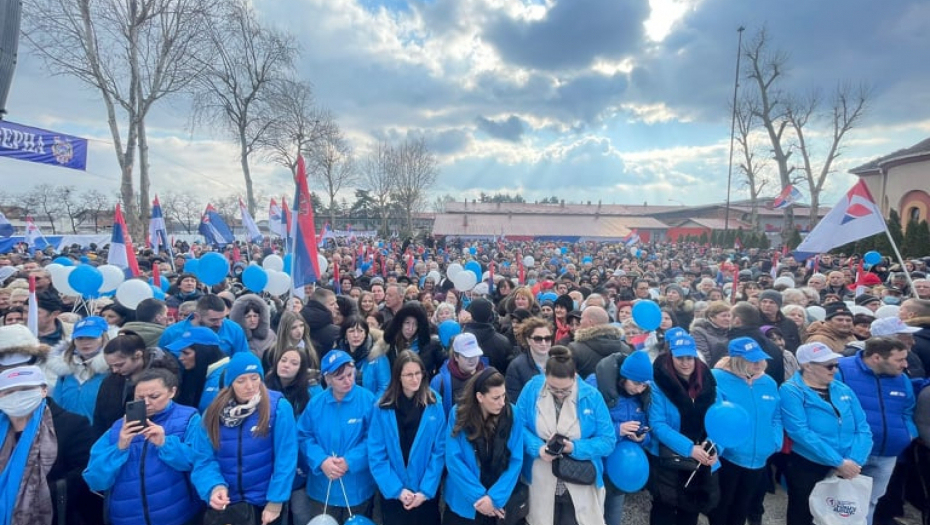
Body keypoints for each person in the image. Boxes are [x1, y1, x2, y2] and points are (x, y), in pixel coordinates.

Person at [83, 368, 204, 525]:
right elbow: (95, 480)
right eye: (140, 397)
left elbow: (198, 462)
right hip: (126, 517)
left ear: (172, 392)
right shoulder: (118, 428)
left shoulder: (189, 419)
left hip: (178, 515)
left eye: (154, 396)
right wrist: (120, 447)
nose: (146, 402)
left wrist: (165, 443)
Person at [191, 352, 297, 525]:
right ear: (230, 383)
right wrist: (213, 486)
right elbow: (203, 458)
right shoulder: (212, 413)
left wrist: (276, 501)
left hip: (264, 503)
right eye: (241, 381)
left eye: (255, 378)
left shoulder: (278, 408)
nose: (250, 386)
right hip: (227, 503)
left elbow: (286, 458)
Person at [516, 346, 615, 525]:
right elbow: (518, 427)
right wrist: (538, 448)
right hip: (540, 477)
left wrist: (575, 447)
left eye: (566, 390)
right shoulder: (531, 388)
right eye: (553, 389)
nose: (560, 395)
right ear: (545, 374)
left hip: (580, 478)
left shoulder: (592, 396)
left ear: (575, 376)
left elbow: (608, 441)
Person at [780, 342, 872, 525]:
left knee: (840, 515)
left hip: (848, 463)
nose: (835, 370)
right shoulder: (791, 390)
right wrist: (837, 461)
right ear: (807, 366)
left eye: (836, 365)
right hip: (809, 464)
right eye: (829, 366)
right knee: (803, 514)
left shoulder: (842, 388)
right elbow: (799, 431)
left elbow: (862, 427)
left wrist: (855, 461)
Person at [837, 336, 917, 525]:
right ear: (876, 358)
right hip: (850, 453)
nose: (905, 365)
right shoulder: (841, 370)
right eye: (899, 360)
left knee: (870, 502)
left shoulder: (902, 379)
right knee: (838, 502)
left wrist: (908, 434)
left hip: (887, 453)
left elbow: (908, 409)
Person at [647, 332, 721, 525]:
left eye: (690, 357)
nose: (686, 363)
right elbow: (658, 424)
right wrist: (689, 449)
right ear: (671, 356)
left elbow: (721, 419)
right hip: (669, 457)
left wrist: (715, 448)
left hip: (701, 458)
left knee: (690, 512)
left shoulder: (709, 382)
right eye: (680, 358)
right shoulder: (657, 383)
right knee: (664, 509)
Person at [707, 337, 782, 525]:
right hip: (728, 457)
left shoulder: (769, 382)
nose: (758, 363)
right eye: (752, 359)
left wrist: (775, 441)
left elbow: (776, 416)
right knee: (720, 509)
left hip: (759, 458)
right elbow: (715, 416)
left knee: (742, 509)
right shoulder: (717, 378)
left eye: (760, 358)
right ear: (737, 360)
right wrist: (720, 447)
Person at [297, 350, 377, 522]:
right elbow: (303, 436)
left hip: (357, 488)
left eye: (350, 374)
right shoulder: (316, 403)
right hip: (322, 489)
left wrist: (350, 461)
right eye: (340, 378)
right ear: (328, 380)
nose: (348, 381)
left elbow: (374, 439)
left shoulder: (367, 400)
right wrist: (321, 460)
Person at [368, 351, 446, 525]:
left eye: (418, 373)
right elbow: (376, 453)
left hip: (424, 493)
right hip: (395, 493)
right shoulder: (382, 406)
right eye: (409, 375)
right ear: (398, 377)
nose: (415, 379)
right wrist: (396, 490)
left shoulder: (434, 403)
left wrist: (425, 491)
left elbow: (439, 452)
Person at [444, 367, 523, 525]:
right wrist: (479, 498)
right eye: (495, 398)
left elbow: (516, 460)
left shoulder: (513, 414)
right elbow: (454, 460)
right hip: (464, 503)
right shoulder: (458, 414)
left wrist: (494, 498)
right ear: (480, 396)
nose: (502, 402)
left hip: (498, 501)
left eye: (503, 395)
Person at [586, 350, 653, 525]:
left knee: (613, 517)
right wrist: (618, 429)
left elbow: (648, 427)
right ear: (624, 376)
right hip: (596, 464)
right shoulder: (595, 385)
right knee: (590, 516)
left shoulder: (643, 396)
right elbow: (584, 425)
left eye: (644, 385)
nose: (639, 389)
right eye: (636, 383)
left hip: (622, 467)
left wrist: (643, 438)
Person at [264, 347, 322, 525]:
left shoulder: (312, 393)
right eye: (284, 360)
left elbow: (315, 430)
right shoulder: (264, 387)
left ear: (301, 369)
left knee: (300, 514)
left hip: (300, 464)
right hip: (271, 462)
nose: (287, 365)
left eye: (294, 363)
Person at [94, 332, 181, 435]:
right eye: (111, 366)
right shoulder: (110, 381)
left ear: (138, 355)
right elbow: (99, 418)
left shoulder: (166, 378)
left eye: (119, 365)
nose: (114, 370)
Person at [46, 315, 111, 422]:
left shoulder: (110, 370)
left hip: (100, 433)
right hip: (70, 432)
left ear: (103, 338)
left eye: (91, 337)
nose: (85, 342)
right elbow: (56, 407)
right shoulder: (65, 372)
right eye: (80, 338)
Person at [159, 294, 249, 357]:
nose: (220, 323)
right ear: (197, 316)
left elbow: (242, 359)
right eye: (213, 320)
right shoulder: (171, 333)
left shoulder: (234, 330)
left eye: (223, 318)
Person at [166, 327, 228, 412]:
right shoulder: (200, 372)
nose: (180, 358)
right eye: (181, 352)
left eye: (186, 353)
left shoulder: (224, 378)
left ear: (203, 353)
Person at [431, 332, 487, 416]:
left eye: (475, 355)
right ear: (456, 357)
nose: (472, 360)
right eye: (466, 356)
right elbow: (434, 418)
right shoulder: (439, 382)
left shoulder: (488, 377)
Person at [378, 304, 442, 376]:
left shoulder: (431, 346)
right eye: (407, 323)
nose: (410, 328)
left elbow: (443, 367)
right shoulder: (389, 345)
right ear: (400, 323)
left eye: (415, 324)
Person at [335, 315, 389, 399]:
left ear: (366, 334)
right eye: (351, 331)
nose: (356, 335)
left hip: (370, 407)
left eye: (360, 331)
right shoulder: (337, 355)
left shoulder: (378, 356)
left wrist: (370, 407)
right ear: (345, 334)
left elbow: (384, 387)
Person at [506, 317, 552, 403]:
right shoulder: (516, 366)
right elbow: (514, 401)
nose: (543, 343)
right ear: (528, 340)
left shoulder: (560, 361)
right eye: (538, 339)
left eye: (547, 338)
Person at [463, 298, 513, 372]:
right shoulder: (503, 341)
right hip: (496, 381)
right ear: (490, 316)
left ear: (471, 315)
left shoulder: (460, 339)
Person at [229, 294, 277, 362]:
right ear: (240, 318)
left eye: (255, 316)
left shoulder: (271, 335)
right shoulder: (235, 338)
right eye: (248, 316)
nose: (252, 320)